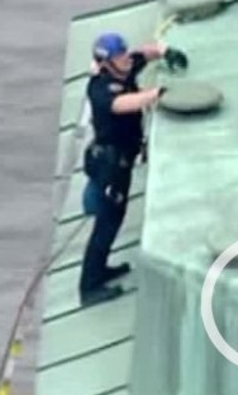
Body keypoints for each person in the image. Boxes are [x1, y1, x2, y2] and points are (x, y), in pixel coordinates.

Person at [79, 31, 188, 306]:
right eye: (119, 56)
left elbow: (144, 54)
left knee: (115, 219)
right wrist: (155, 95)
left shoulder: (123, 69)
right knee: (106, 223)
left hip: (122, 160)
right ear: (106, 63)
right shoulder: (100, 88)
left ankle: (101, 269)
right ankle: (89, 286)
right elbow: (121, 104)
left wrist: (165, 51)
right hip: (109, 164)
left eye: (124, 54)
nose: (126, 59)